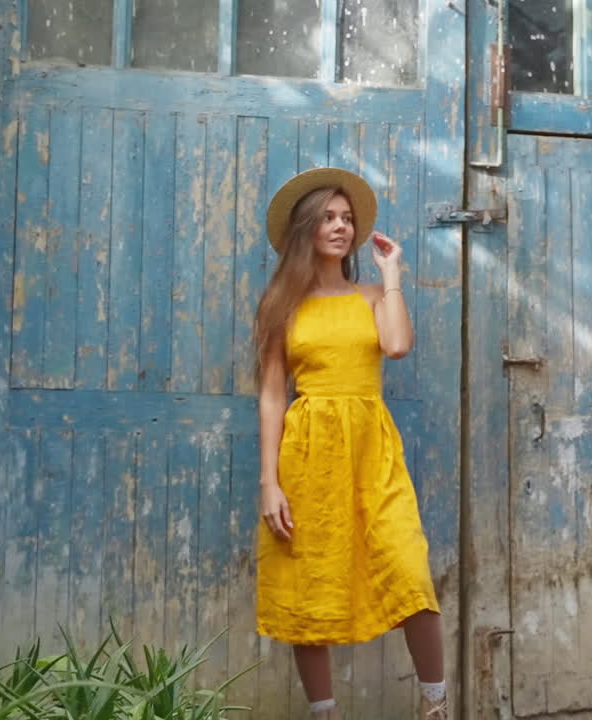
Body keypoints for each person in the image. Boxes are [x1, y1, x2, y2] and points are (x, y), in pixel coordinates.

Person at [253, 168, 447, 720]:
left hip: (372, 449)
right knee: (308, 579)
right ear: (306, 230)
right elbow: (271, 397)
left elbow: (399, 345)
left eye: (347, 218)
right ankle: (325, 713)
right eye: (328, 218)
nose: (340, 226)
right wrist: (271, 484)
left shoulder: (369, 295)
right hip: (308, 452)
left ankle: (436, 707)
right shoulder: (280, 305)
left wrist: (391, 274)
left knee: (409, 570)